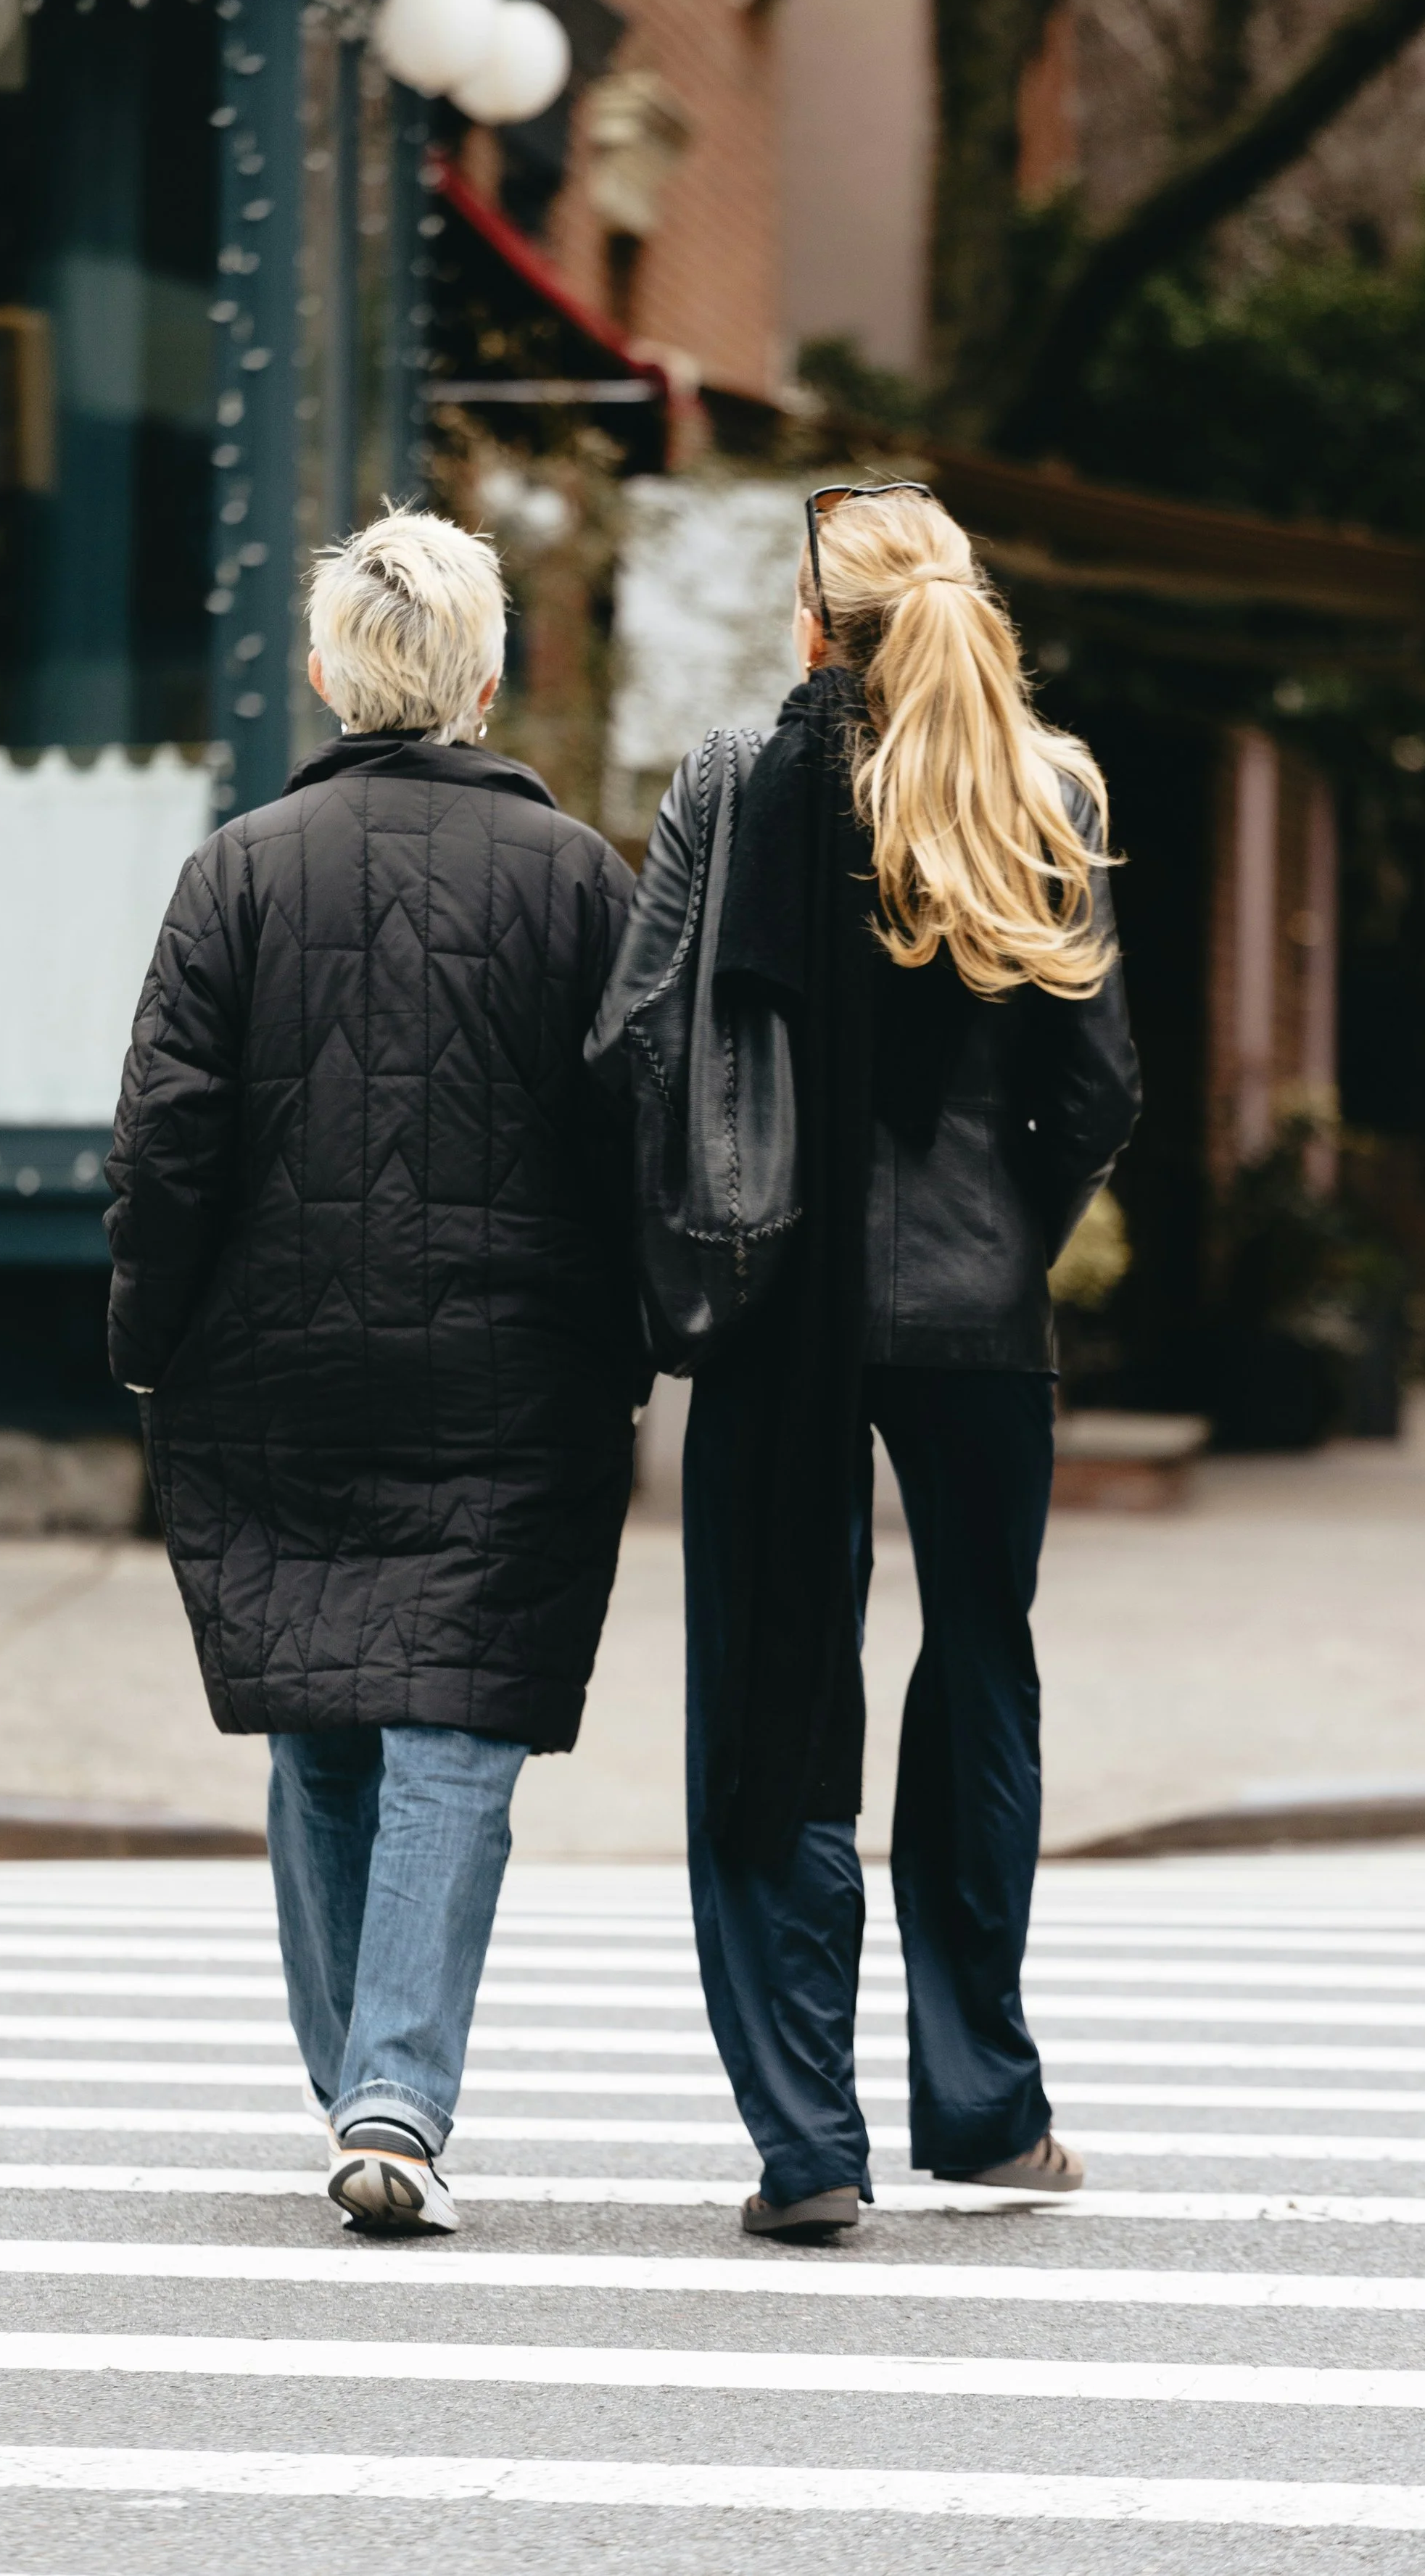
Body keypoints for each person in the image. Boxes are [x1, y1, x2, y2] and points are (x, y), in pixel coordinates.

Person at [590, 484, 1140, 2241]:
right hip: (982, 1315)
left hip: (775, 1304)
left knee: (771, 1678)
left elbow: (637, 1037)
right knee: (979, 1673)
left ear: (813, 626)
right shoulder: (1046, 790)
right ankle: (982, 2107)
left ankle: (807, 2143)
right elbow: (1097, 1089)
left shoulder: (731, 781)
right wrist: (1007, 1237)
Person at [106, 508, 640, 2235]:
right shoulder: (577, 880)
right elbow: (631, 1143)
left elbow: (165, 1141)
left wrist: (145, 1342)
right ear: (485, 682)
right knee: (454, 1728)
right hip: (511, 1371)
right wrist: (633, 1345)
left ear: (331, 676)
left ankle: (364, 2079)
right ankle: (389, 2095)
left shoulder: (239, 872)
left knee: (320, 1715)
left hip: (273, 1365)